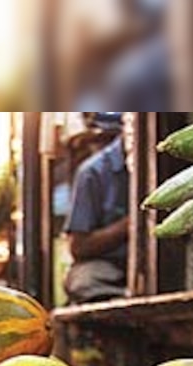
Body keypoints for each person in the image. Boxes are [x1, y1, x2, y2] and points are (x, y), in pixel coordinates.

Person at [63, 113, 130, 305]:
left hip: (157, 266)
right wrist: (127, 226)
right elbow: (78, 246)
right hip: (106, 267)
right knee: (85, 281)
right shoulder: (92, 173)